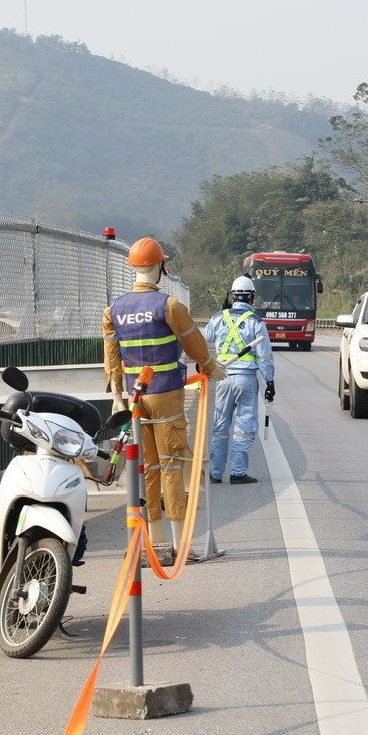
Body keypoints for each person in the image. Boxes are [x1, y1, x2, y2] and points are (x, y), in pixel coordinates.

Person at [103, 236, 227, 566]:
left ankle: (154, 544)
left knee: (149, 469)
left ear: (133, 267)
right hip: (166, 396)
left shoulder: (113, 310)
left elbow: (112, 360)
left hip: (134, 398)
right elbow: (195, 345)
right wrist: (212, 368)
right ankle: (179, 545)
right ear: (159, 267)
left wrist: (117, 397)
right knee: (173, 466)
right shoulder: (169, 306)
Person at [202, 276, 275, 484]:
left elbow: (206, 337)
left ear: (232, 296)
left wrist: (222, 312)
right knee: (244, 426)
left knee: (220, 426)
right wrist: (270, 382)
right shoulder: (256, 322)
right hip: (246, 379)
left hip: (223, 376)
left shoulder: (218, 317)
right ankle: (238, 472)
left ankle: (215, 473)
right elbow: (264, 357)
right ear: (252, 298)